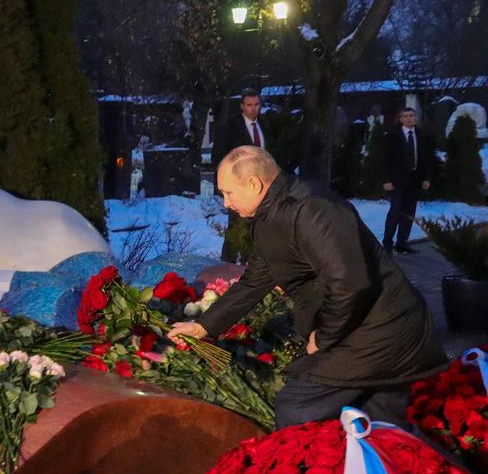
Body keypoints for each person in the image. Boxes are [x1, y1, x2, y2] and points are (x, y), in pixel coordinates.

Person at [170, 146, 447, 428]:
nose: (226, 202)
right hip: (365, 329)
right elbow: (254, 281)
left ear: (254, 184)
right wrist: (204, 327)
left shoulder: (312, 209)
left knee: (296, 408)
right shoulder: (274, 213)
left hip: (381, 330)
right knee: (380, 429)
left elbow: (351, 283)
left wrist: (325, 336)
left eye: (228, 192)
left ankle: (300, 469)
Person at [213, 89, 266, 261]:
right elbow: (219, 156)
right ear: (242, 106)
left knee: (257, 227)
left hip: (261, 186)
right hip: (238, 186)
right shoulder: (230, 127)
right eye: (249, 105)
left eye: (256, 104)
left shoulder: (264, 125)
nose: (253, 109)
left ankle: (250, 263)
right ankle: (227, 265)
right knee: (237, 227)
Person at [382, 106, 434, 254]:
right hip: (397, 180)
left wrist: (426, 178)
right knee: (395, 211)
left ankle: (402, 243)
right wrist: (387, 179)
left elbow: (426, 159)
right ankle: (387, 243)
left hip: (414, 179)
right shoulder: (393, 136)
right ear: (400, 119)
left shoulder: (421, 135)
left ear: (415, 118)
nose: (409, 118)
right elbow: (385, 160)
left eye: (411, 115)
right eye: (405, 116)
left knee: (409, 213)